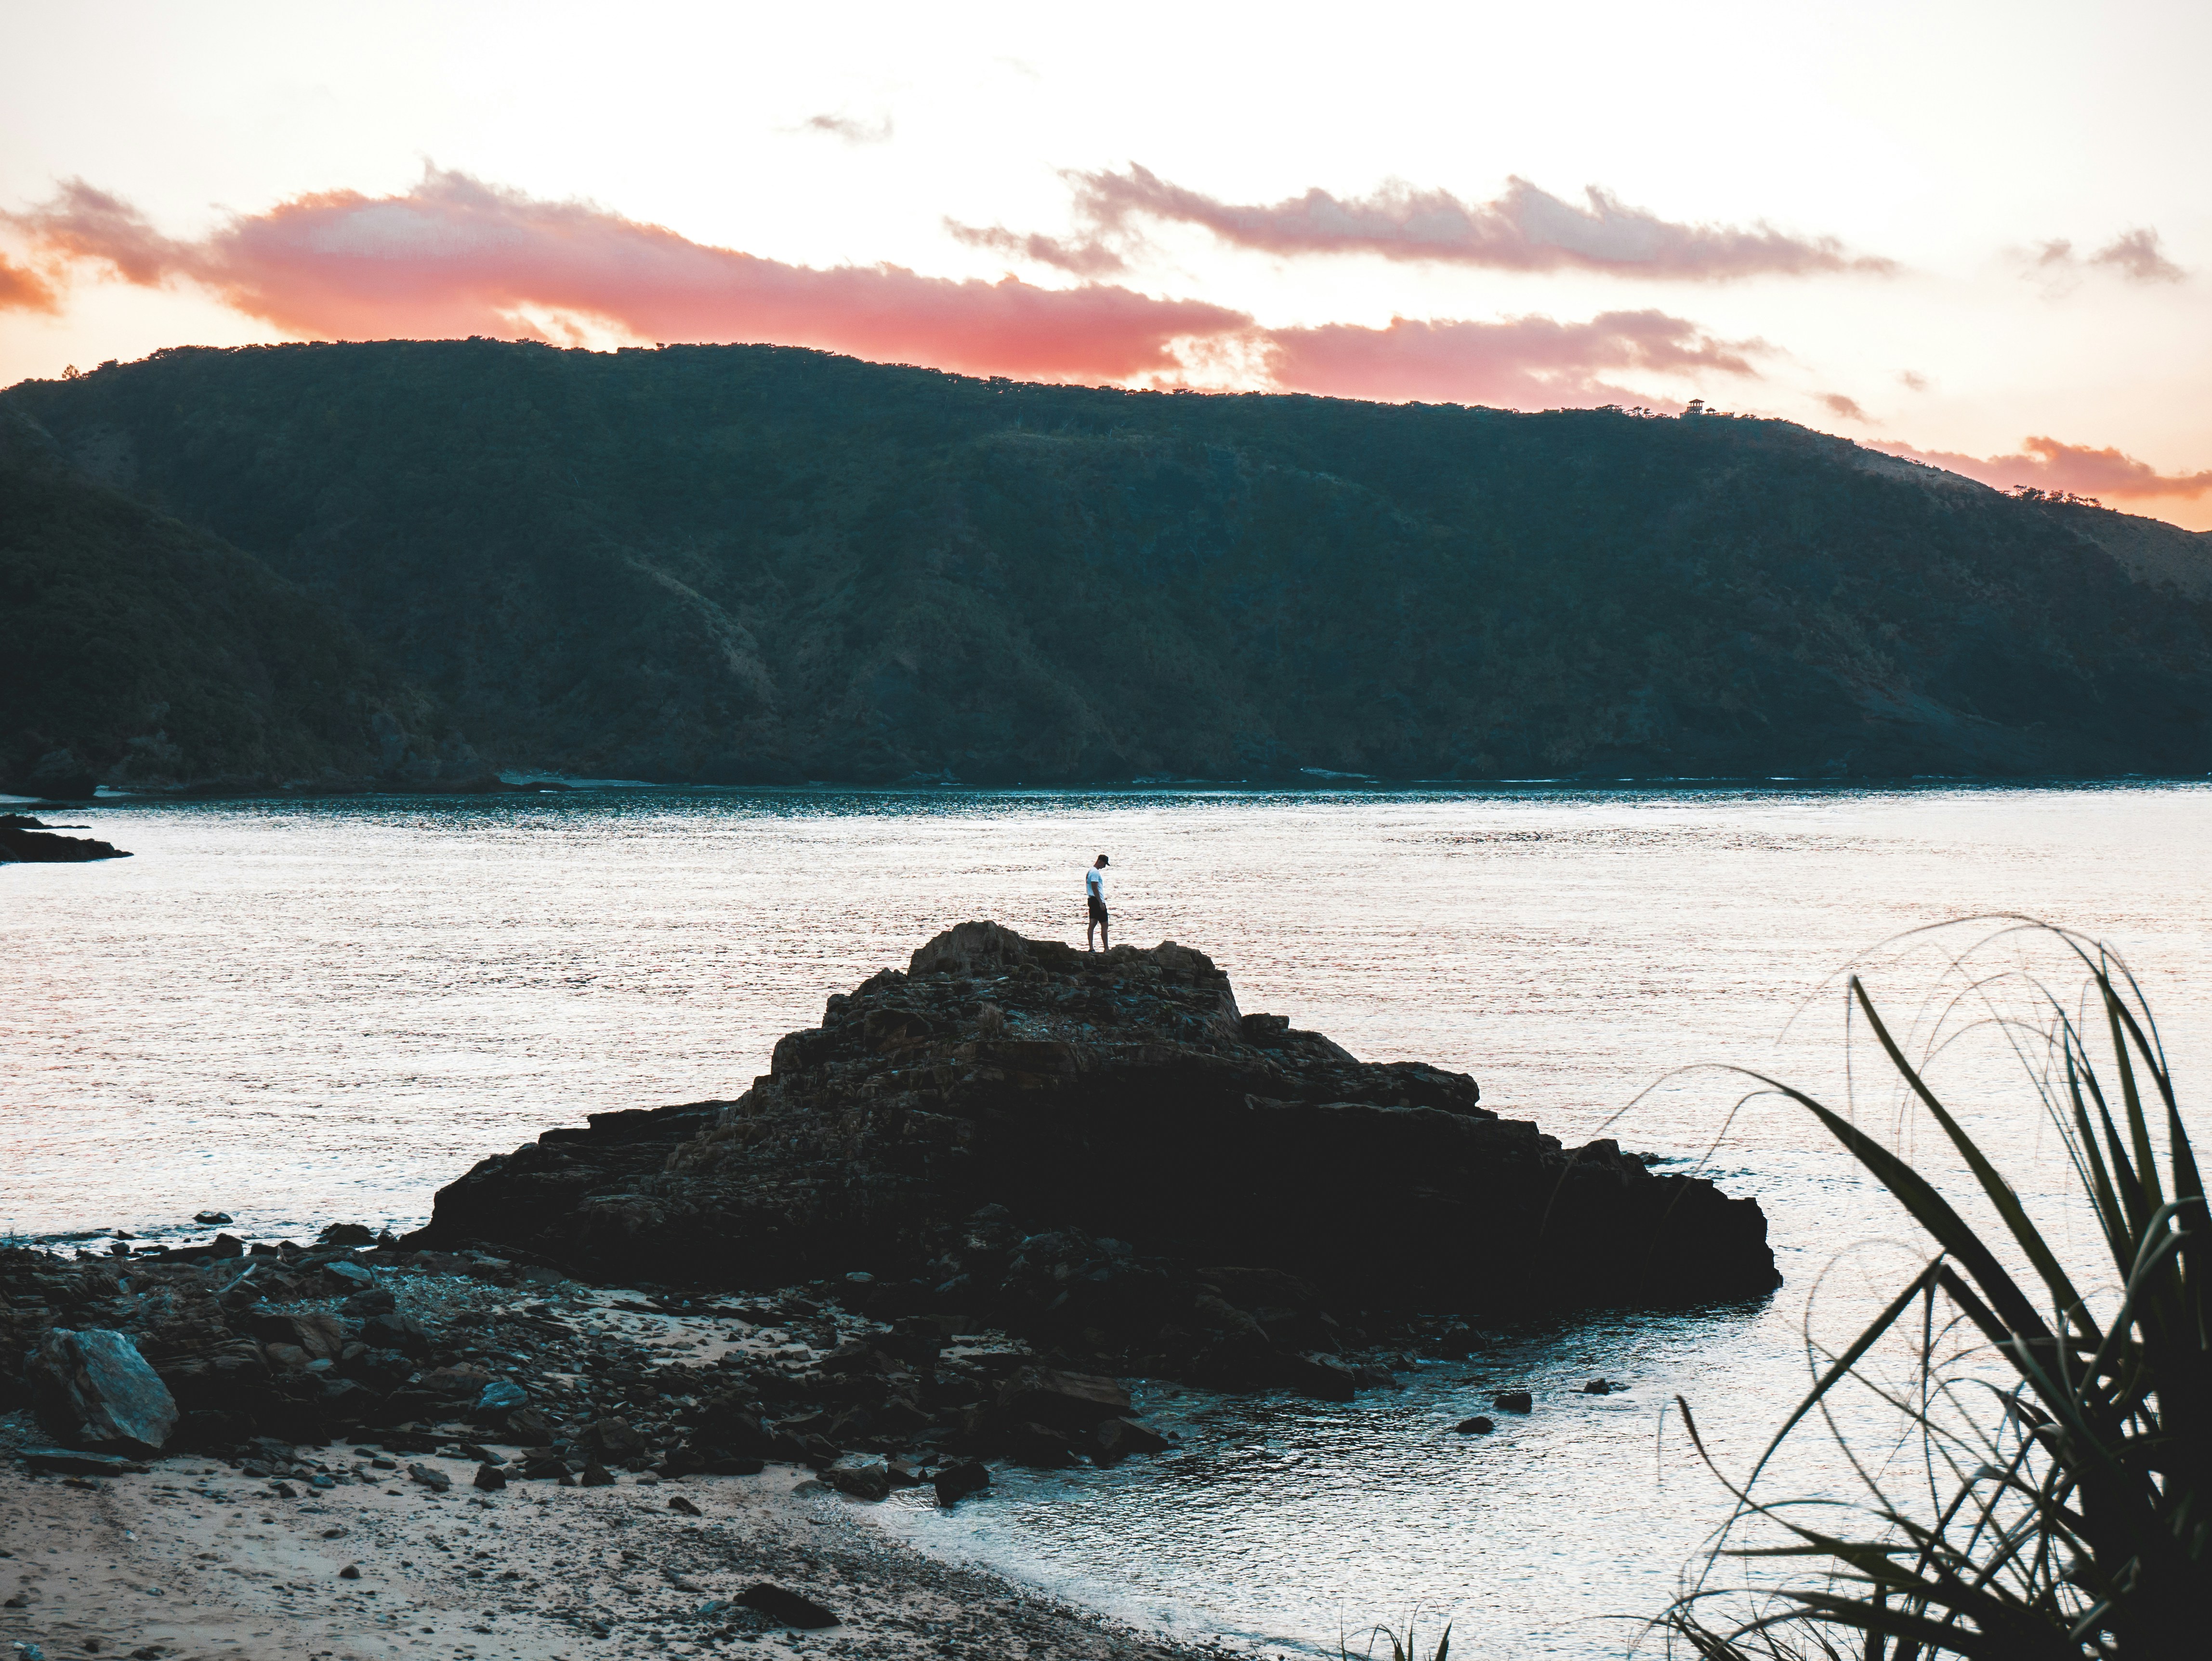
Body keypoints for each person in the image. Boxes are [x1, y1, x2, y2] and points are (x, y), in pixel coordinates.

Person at [1085, 853, 1111, 950]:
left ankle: (1091, 948)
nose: (1104, 867)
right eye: (1104, 864)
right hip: (1097, 900)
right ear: (1100, 862)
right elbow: (1095, 887)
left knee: (1092, 923)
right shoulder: (1095, 872)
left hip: (1092, 900)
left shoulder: (1090, 871)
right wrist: (1101, 903)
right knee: (1105, 924)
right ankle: (1106, 948)